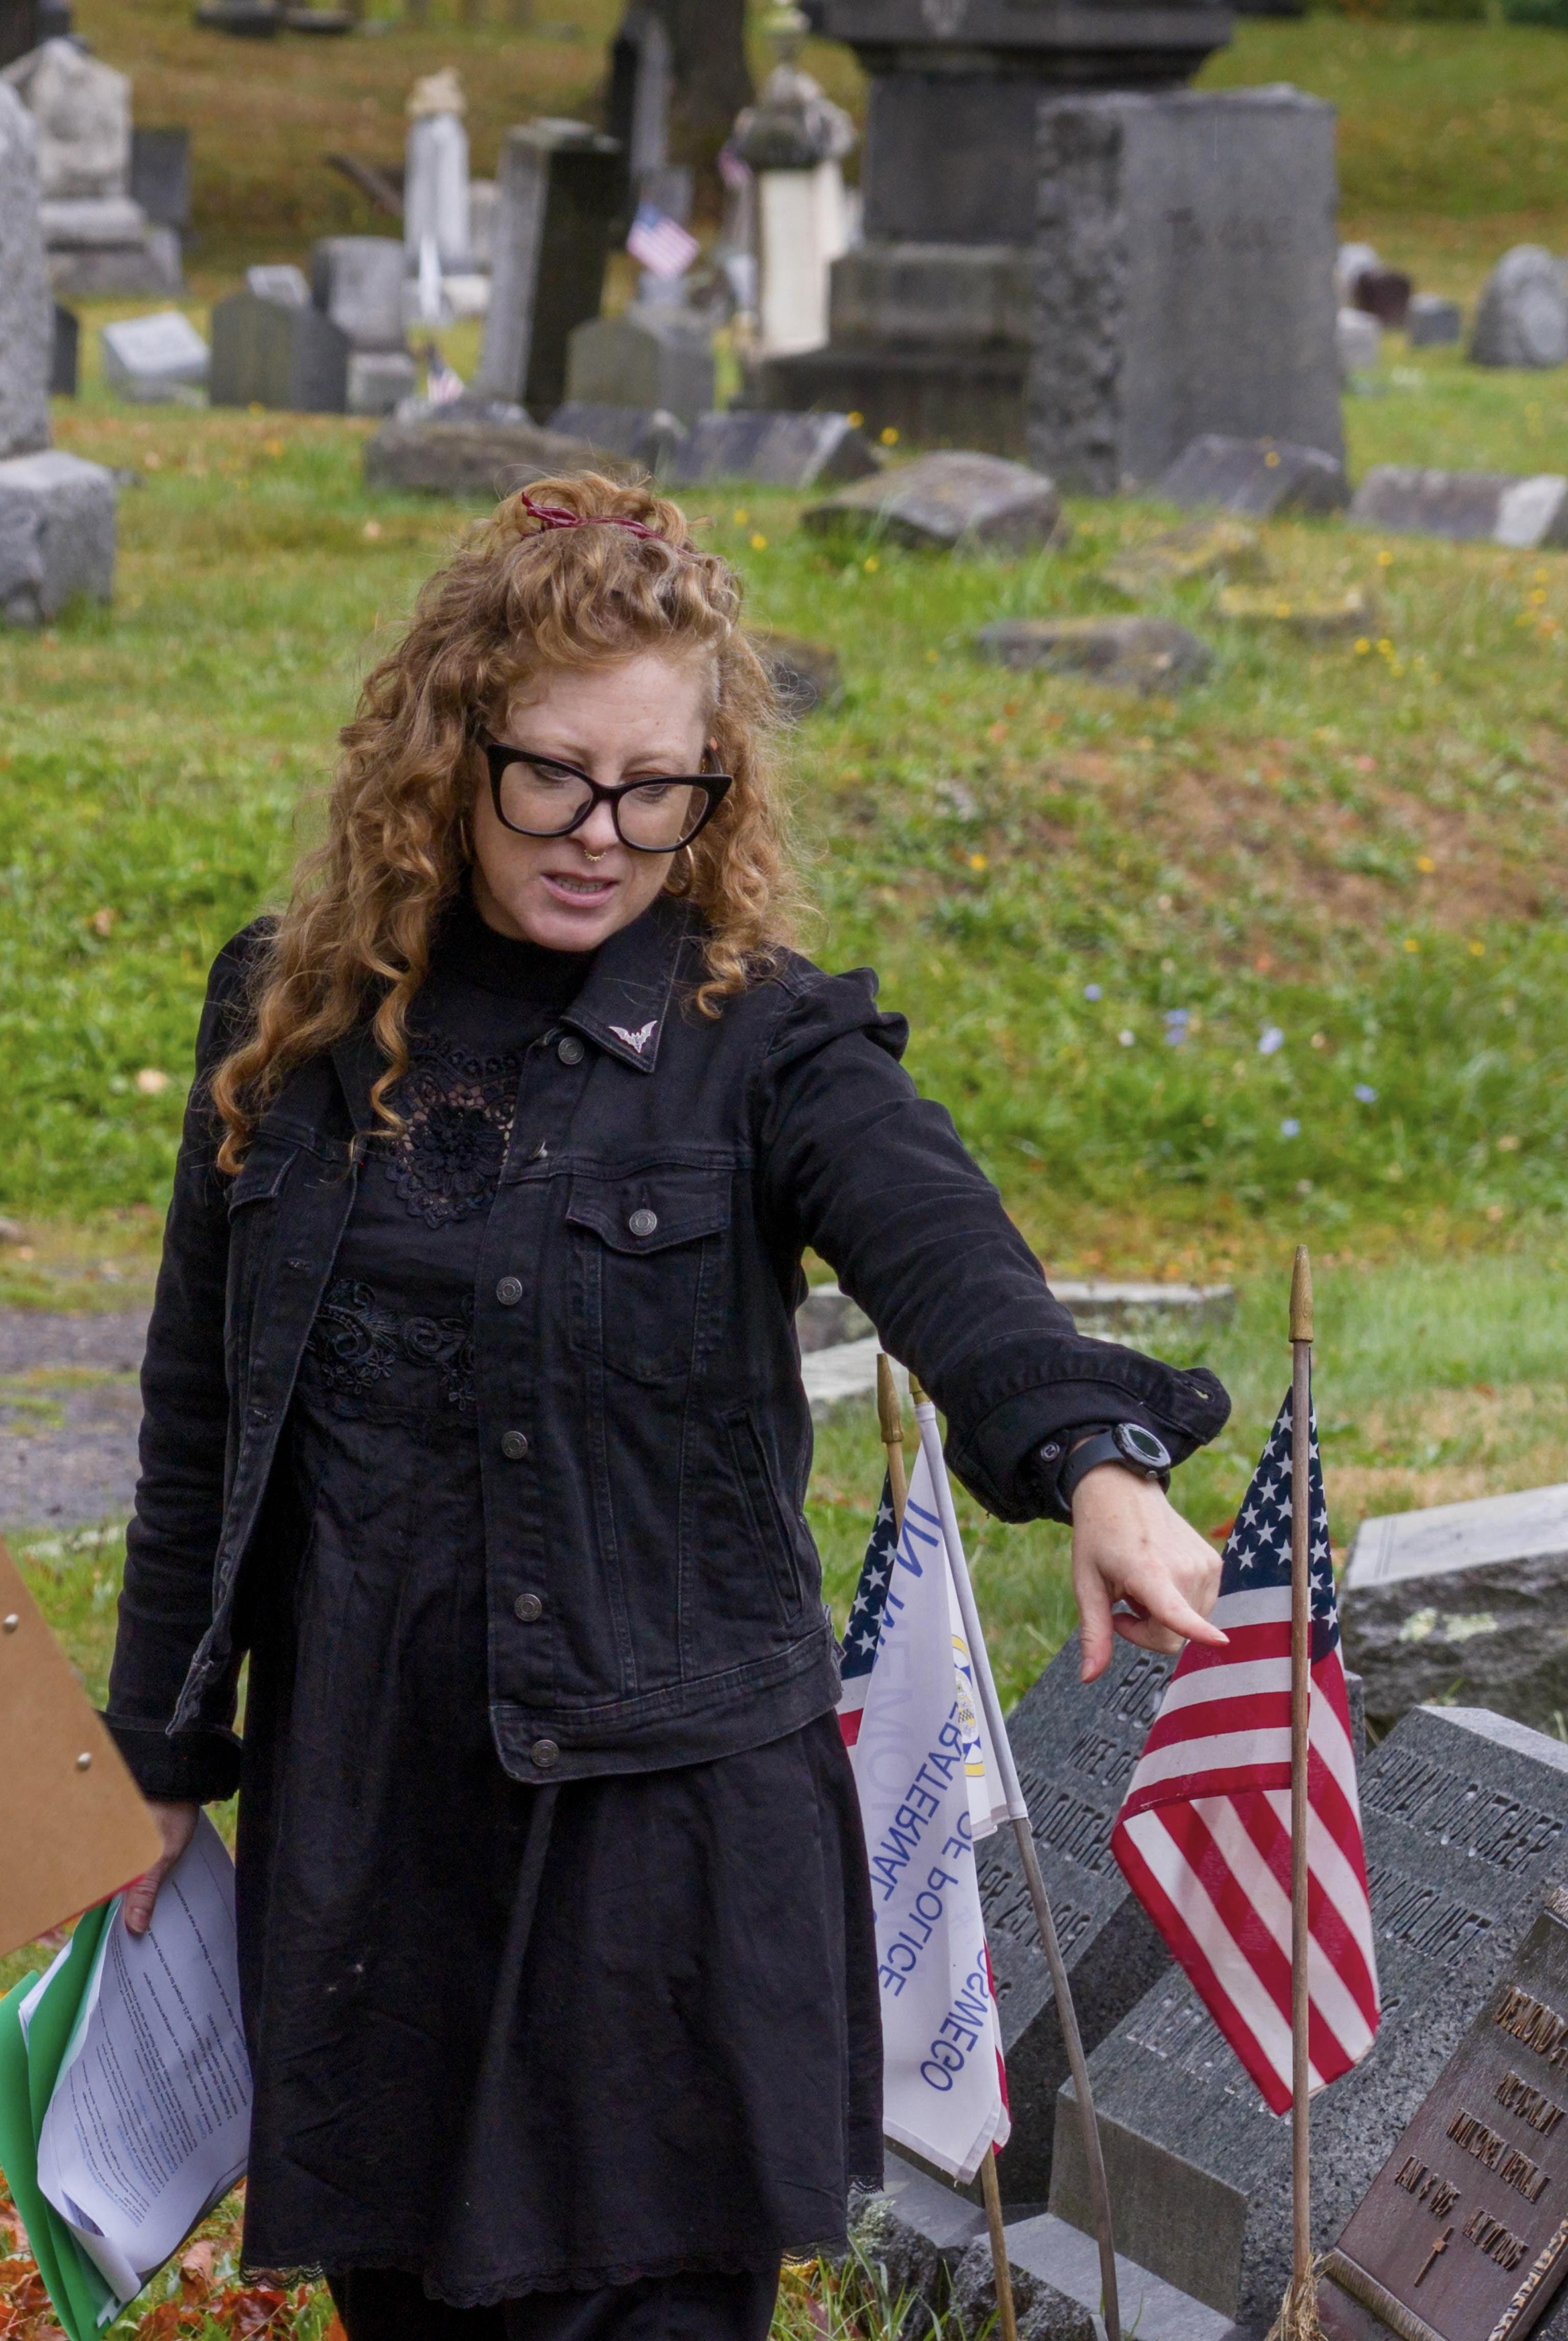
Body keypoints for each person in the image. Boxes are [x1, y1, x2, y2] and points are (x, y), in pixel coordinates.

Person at [103, 475, 1235, 2341]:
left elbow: (942, 1248)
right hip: (374, 1814)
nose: (603, 836)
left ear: (719, 791)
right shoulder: (290, 1012)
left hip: (659, 1844)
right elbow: (197, 1416)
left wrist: (1091, 1458)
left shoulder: (761, 1040)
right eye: (554, 776)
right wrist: (154, 1745)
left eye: (660, 792)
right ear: (446, 748)